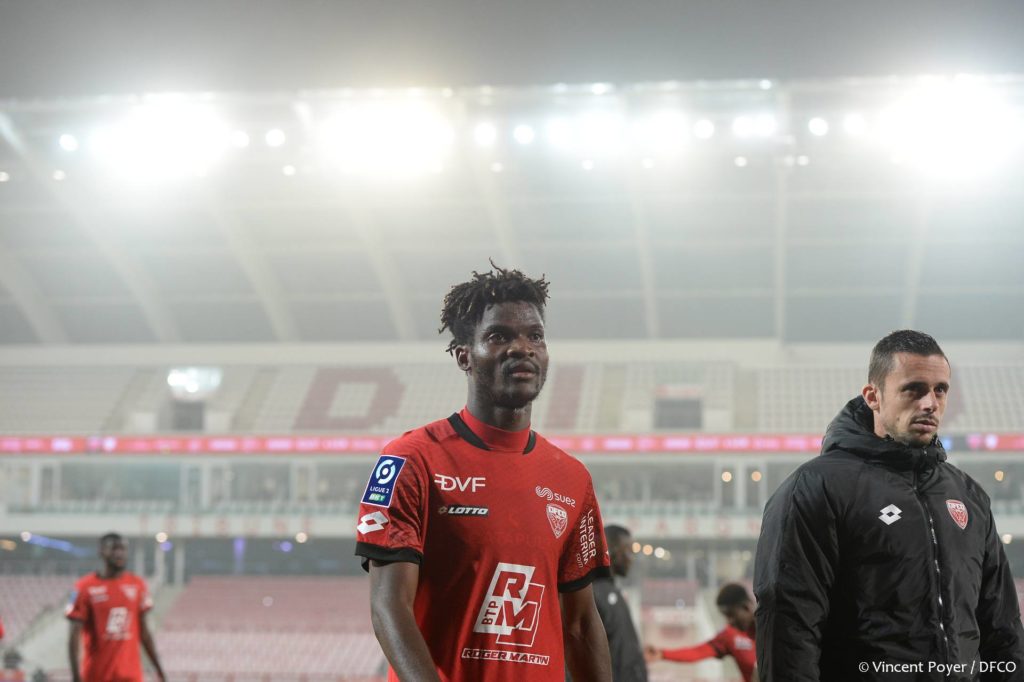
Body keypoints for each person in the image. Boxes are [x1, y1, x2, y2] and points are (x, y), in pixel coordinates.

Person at [355, 263, 613, 681]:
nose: (522, 347)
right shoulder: (411, 460)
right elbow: (389, 607)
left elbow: (581, 624)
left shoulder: (572, 479)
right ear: (464, 355)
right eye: (499, 336)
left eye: (535, 335)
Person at [753, 330, 1024, 681]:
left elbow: (1002, 627)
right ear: (873, 396)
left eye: (940, 390)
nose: (930, 403)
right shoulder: (816, 488)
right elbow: (789, 627)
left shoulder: (968, 495)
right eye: (914, 389)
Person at [67, 533, 165, 682]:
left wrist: (159, 669)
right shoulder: (84, 587)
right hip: (96, 676)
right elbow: (74, 636)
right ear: (101, 551)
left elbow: (145, 633)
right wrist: (75, 677)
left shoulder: (138, 585)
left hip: (130, 677)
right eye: (114, 549)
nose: (119, 553)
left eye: (123, 549)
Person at [644, 583, 757, 682]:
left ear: (747, 607)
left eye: (732, 615)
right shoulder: (730, 635)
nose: (730, 621)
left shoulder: (767, 631)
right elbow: (697, 652)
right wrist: (663, 654)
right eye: (726, 617)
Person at [590, 525, 647, 681]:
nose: (631, 558)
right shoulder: (593, 594)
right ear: (612, 551)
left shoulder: (612, 592)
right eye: (628, 551)